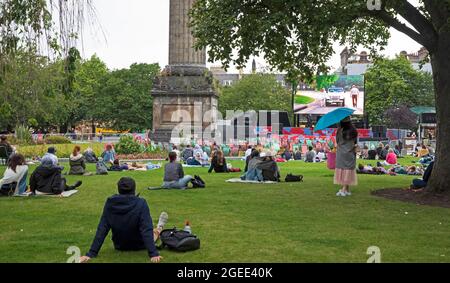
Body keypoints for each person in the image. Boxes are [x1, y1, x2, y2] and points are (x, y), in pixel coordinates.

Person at [79, 177, 166, 263]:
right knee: (154, 232)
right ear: (134, 189)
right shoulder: (141, 203)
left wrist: (91, 253)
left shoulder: (110, 203)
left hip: (120, 245)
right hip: (139, 244)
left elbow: (102, 229)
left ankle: (158, 228)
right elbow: (146, 229)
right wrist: (153, 253)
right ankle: (160, 227)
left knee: (150, 231)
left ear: (119, 189)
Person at [335, 117, 358, 197]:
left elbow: (337, 141)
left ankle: (343, 189)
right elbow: (355, 142)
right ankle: (347, 189)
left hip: (341, 153)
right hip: (351, 153)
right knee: (348, 170)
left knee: (343, 171)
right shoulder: (354, 131)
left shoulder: (340, 131)